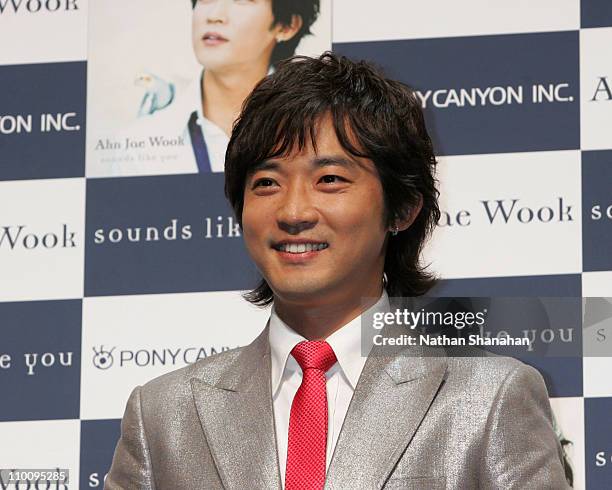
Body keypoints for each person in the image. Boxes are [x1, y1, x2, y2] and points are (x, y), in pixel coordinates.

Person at [105, 53, 570, 489]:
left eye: (329, 179)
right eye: (266, 182)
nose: (293, 210)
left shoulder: (491, 398)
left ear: (402, 208)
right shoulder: (163, 414)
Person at [97, 0, 320, 176]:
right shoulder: (138, 144)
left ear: (287, 25)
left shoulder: (317, 130)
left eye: (241, 1)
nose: (214, 15)